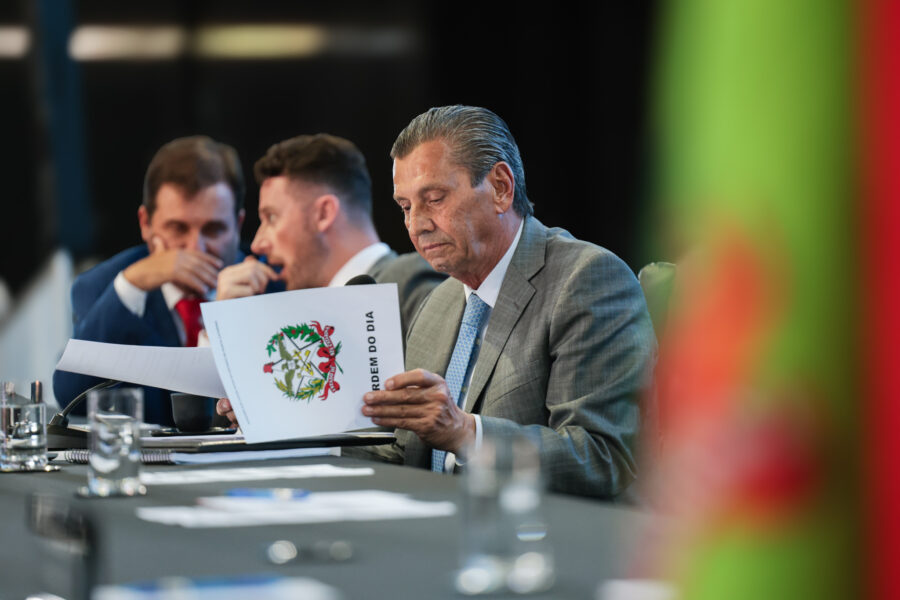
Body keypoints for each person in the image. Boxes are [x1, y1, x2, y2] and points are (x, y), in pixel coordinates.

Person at [355, 106, 656, 498]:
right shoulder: (437, 303)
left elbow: (602, 457)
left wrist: (465, 432)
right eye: (406, 207)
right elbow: (406, 453)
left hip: (536, 529)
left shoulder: (587, 280)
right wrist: (299, 432)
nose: (417, 225)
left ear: (500, 187)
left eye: (435, 199)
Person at [213, 134, 446, 425]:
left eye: (271, 218)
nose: (258, 243)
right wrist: (228, 331)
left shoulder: (413, 285)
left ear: (324, 213)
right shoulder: (297, 316)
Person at [53, 136, 250, 426]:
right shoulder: (102, 286)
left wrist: (226, 320)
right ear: (146, 223)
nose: (195, 248)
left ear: (238, 226)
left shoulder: (274, 283)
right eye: (178, 228)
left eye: (213, 229)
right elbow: (71, 397)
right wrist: (132, 284)